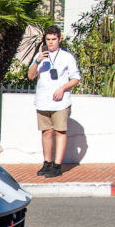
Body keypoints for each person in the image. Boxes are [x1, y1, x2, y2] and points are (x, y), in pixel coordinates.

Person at [26, 25, 81, 178]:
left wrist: (62, 88)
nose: (50, 43)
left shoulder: (67, 57)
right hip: (43, 100)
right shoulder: (40, 56)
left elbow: (76, 77)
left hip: (60, 101)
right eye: (48, 39)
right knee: (46, 132)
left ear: (59, 39)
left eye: (53, 39)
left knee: (60, 131)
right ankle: (47, 163)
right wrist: (37, 61)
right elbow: (30, 75)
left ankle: (57, 165)